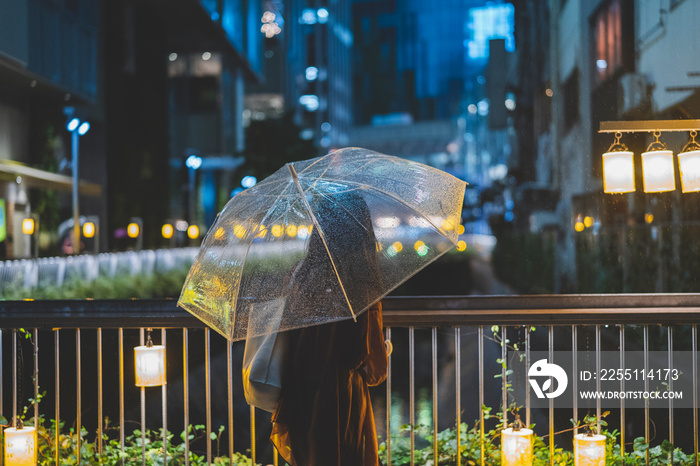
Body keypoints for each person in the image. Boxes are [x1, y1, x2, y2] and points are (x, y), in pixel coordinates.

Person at [270, 189, 389, 465]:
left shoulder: (300, 276)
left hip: (301, 401)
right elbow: (374, 371)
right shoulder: (362, 287)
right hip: (344, 408)